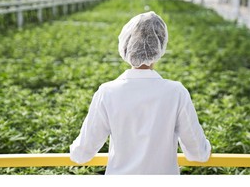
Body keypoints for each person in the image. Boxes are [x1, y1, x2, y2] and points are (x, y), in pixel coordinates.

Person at [70, 11, 211, 175]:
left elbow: (81, 153)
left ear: (125, 45)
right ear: (160, 45)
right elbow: (198, 154)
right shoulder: (176, 92)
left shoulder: (107, 92)